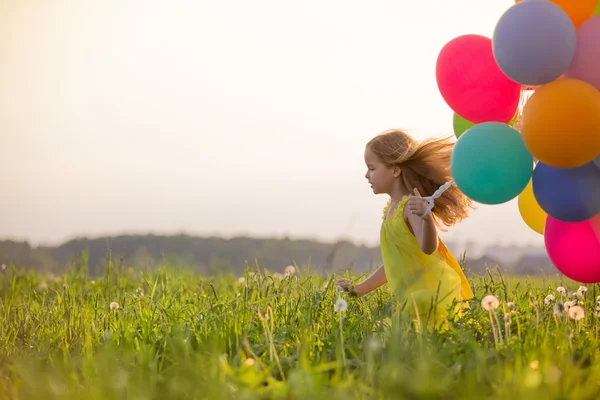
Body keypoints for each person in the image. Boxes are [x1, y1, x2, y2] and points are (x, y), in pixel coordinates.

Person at [336, 129, 475, 331]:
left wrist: (427, 219)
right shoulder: (391, 209)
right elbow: (394, 264)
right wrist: (359, 289)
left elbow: (428, 247)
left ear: (394, 170)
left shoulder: (410, 206)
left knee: (411, 341)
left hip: (428, 294)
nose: (366, 175)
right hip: (411, 297)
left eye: (372, 168)